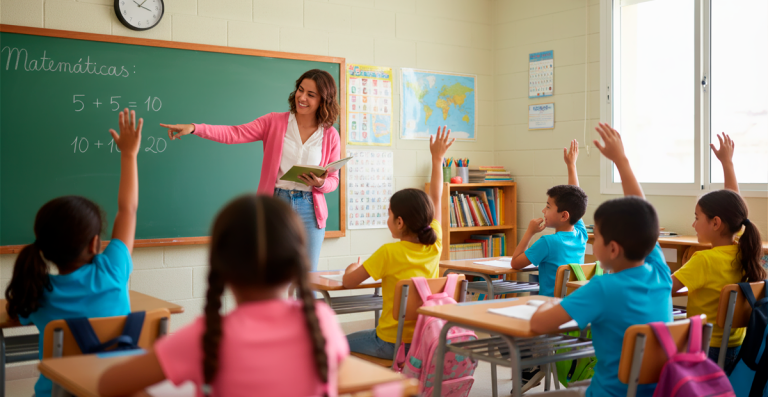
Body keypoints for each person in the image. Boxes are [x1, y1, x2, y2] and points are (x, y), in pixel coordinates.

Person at [98, 195, 349, 397]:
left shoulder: (206, 338)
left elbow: (107, 385)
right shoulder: (322, 321)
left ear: (220, 266)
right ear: (296, 262)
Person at [528, 123, 673, 397]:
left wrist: (538, 304)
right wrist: (621, 161)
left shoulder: (602, 288)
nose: (592, 240)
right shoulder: (659, 272)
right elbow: (643, 214)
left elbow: (538, 325)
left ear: (613, 249)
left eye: (598, 236)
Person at [5, 109, 141, 397]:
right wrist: (129, 154)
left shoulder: (37, 293)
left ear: (44, 247)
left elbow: (18, 316)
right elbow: (127, 210)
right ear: (95, 244)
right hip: (115, 390)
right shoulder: (113, 272)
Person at [160, 69, 341, 271]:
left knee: (307, 280)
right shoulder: (275, 122)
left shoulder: (330, 135)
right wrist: (195, 128)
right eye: (300, 90)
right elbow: (234, 133)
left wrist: (321, 183)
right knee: (272, 276)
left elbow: (333, 179)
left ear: (324, 100)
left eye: (311, 94)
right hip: (276, 206)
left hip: (310, 210)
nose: (302, 97)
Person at [341, 126, 454, 359]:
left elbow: (349, 282)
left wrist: (351, 267)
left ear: (400, 222)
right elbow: (436, 198)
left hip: (391, 343)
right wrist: (437, 159)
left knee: (336, 342)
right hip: (426, 339)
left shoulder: (388, 252)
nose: (388, 219)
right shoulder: (435, 243)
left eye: (389, 213)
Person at [671, 133, 767, 372]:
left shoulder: (703, 259)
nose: (693, 224)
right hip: (737, 346)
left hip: (705, 347)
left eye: (696, 218)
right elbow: (733, 207)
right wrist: (727, 163)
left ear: (715, 223)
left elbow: (663, 287)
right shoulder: (746, 252)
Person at [510, 139, 589, 298]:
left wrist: (529, 232)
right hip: (570, 305)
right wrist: (571, 165)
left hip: (547, 305)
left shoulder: (547, 242)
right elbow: (575, 198)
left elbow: (515, 264)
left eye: (548, 207)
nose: (543, 211)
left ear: (564, 215)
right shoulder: (581, 235)